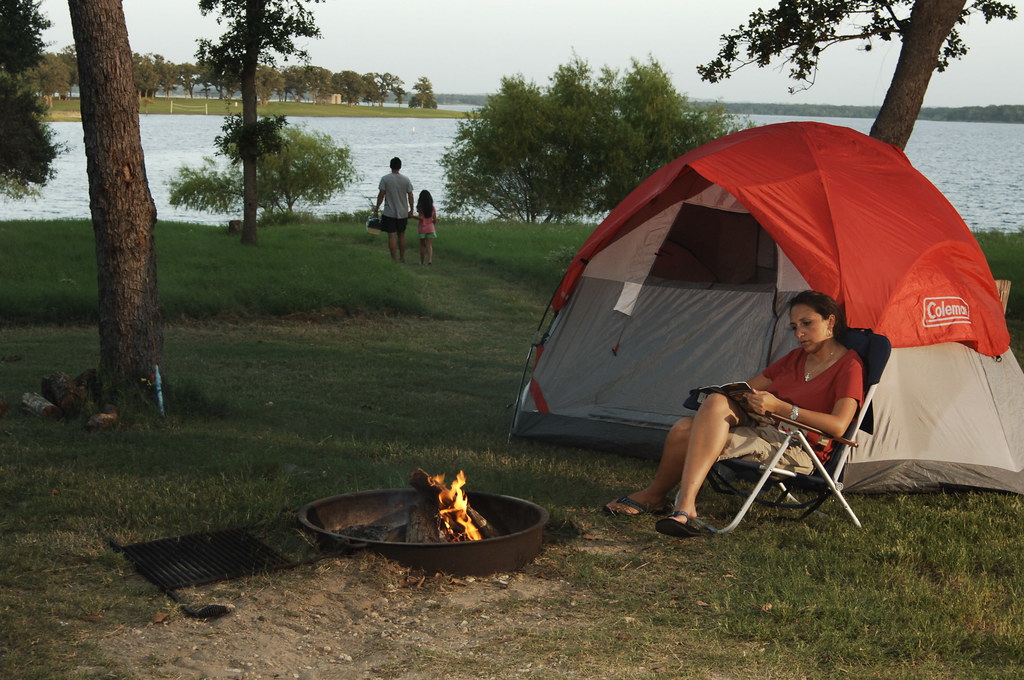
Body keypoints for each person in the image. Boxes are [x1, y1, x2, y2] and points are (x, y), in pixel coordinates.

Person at [604, 290, 864, 537]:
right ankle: (663, 498)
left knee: (689, 432)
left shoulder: (849, 366)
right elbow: (747, 390)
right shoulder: (795, 358)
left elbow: (839, 426)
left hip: (796, 446)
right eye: (794, 327)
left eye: (807, 323)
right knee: (705, 410)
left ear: (830, 321)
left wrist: (781, 408)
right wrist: (737, 400)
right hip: (764, 428)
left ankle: (679, 504)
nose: (800, 334)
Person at [374, 157, 415, 263]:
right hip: (402, 213)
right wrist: (411, 209)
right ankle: (402, 257)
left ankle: (394, 259)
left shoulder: (385, 179)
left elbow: (381, 195)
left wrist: (377, 208)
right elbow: (410, 195)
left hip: (389, 212)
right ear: (400, 166)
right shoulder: (406, 180)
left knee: (391, 235)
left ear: (390, 166)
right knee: (402, 234)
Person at [414, 189, 438, 265]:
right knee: (429, 245)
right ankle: (430, 260)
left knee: (422, 245)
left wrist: (412, 216)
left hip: (422, 228)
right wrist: (434, 223)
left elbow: (421, 218)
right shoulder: (432, 207)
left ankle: (421, 261)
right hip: (431, 228)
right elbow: (434, 219)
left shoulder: (420, 207)